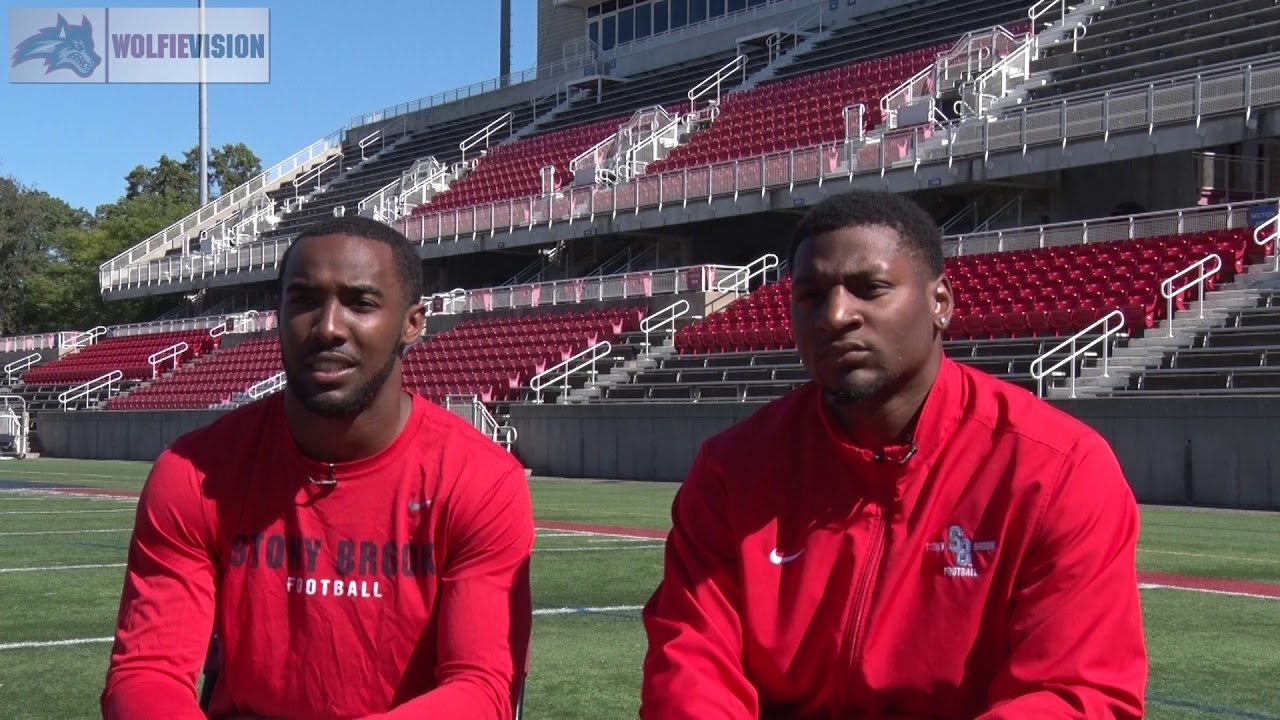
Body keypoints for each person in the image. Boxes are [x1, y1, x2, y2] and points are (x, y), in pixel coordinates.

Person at [640, 190, 1148, 718]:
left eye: (870, 288)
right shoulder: (734, 470)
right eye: (810, 295)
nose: (835, 315)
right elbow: (691, 666)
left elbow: (1076, 694)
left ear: (940, 304)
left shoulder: (1055, 469)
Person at [101, 216, 534, 720]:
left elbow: (482, 690)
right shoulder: (194, 473)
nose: (328, 327)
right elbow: (146, 674)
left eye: (361, 303)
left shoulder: (480, 481)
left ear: (412, 324)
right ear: (278, 314)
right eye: (304, 300)